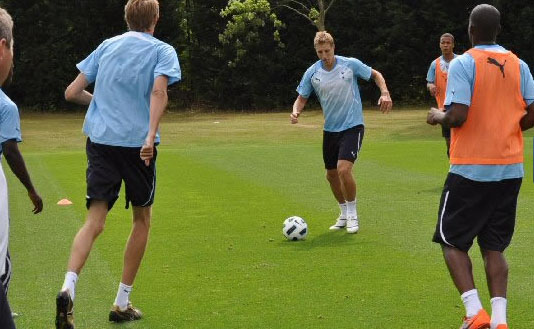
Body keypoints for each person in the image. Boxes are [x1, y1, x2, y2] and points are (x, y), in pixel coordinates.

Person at [55, 0, 180, 327]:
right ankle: (121, 302)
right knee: (142, 219)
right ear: (155, 18)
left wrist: (100, 104)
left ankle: (68, 286)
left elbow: (72, 92)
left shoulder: (107, 46)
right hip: (137, 146)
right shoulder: (162, 50)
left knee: (94, 220)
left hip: (100, 142)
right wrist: (150, 136)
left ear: (127, 18)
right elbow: (158, 93)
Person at [426, 4, 534, 329]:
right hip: (509, 169)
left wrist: (438, 116)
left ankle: (474, 313)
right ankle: (500, 320)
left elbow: (458, 114)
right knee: (494, 247)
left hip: (471, 170)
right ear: (498, 30)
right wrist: (508, 129)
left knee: (451, 241)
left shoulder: (463, 63)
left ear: (471, 30)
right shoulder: (520, 65)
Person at [290, 31, 392, 234]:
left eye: (327, 51)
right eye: (320, 52)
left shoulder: (350, 64)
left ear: (333, 48)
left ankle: (353, 213)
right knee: (331, 175)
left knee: (344, 169)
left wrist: (385, 92)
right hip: (330, 130)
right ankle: (343, 213)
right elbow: (302, 97)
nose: (324, 55)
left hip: (353, 126)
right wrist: (295, 111)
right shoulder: (312, 72)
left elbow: (376, 75)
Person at [0, 6, 43, 329]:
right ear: (3, 47)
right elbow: (11, 151)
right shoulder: (5, 106)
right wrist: (31, 189)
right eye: (13, 47)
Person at [426, 33, 458, 157]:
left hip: (460, 105)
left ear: (453, 45)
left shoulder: (461, 61)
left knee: (461, 139)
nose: (445, 45)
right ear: (440, 45)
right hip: (443, 108)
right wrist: (431, 86)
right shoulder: (435, 64)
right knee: (449, 141)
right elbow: (429, 82)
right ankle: (453, 163)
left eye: (448, 43)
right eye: (443, 43)